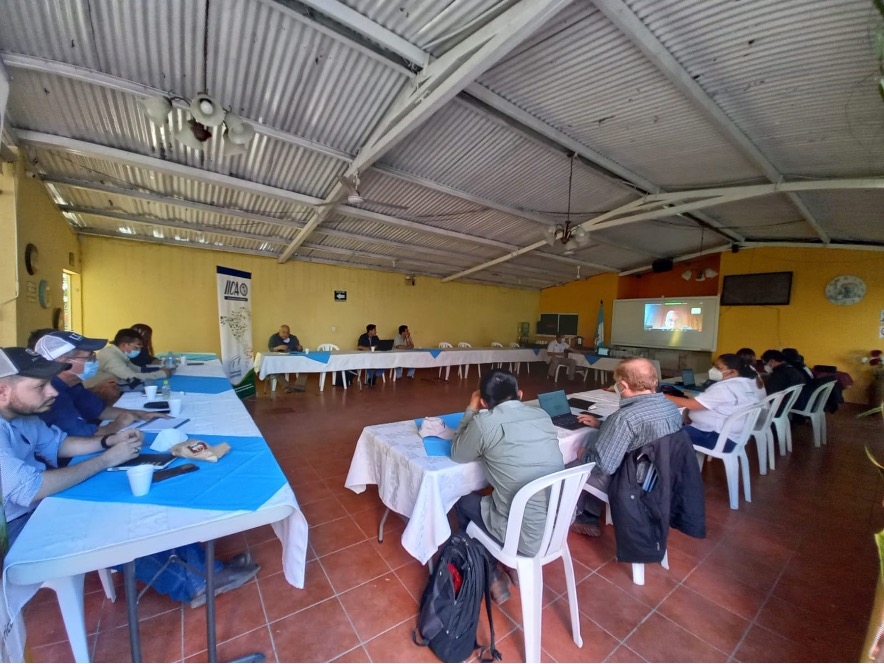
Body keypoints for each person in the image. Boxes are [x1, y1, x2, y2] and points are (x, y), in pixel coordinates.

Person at [0, 347, 260, 607]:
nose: (53, 391)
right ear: (3, 391)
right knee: (112, 521)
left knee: (138, 498)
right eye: (40, 386)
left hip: (39, 503)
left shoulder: (20, 416)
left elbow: (59, 444)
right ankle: (197, 582)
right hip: (16, 526)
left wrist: (110, 440)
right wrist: (107, 459)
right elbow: (30, 490)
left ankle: (204, 569)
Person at [450, 368, 564, 603]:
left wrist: (472, 409)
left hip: (525, 537)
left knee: (463, 501)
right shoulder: (542, 415)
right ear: (520, 394)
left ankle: (492, 572)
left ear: (483, 402)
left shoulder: (484, 423)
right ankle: (511, 568)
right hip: (557, 526)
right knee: (498, 491)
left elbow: (458, 453)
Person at [569, 358, 683, 537]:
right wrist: (602, 424)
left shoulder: (624, 418)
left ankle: (577, 517)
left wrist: (583, 455)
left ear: (623, 385)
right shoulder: (670, 407)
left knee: (573, 465)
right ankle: (589, 513)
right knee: (601, 449)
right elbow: (640, 432)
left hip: (631, 483)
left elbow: (603, 466)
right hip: (657, 477)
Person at [34, 331, 171, 436]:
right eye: (89, 357)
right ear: (65, 362)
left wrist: (139, 414)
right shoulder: (51, 393)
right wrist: (118, 424)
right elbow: (84, 436)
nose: (94, 361)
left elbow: (99, 410)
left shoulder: (73, 383)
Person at [664, 353, 765, 451]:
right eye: (714, 366)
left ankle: (667, 465)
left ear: (732, 372)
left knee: (663, 433)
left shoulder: (725, 388)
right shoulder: (744, 384)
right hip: (732, 437)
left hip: (716, 437)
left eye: (719, 368)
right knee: (676, 428)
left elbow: (691, 404)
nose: (713, 370)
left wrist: (663, 396)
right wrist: (692, 417)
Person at [85, 328, 171, 391]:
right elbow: (131, 377)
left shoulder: (119, 353)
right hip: (95, 390)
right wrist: (161, 374)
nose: (139, 350)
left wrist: (158, 369)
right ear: (123, 345)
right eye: (136, 347)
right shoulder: (110, 356)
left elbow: (136, 369)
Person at [267, 325, 308, 392]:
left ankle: (299, 385)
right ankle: (286, 386)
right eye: (283, 332)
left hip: (292, 360)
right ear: (279, 332)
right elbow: (271, 349)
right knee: (272, 367)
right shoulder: (273, 338)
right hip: (279, 361)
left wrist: (300, 348)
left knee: (305, 364)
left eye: (287, 333)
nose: (285, 334)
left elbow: (298, 349)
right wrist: (278, 348)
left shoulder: (293, 338)